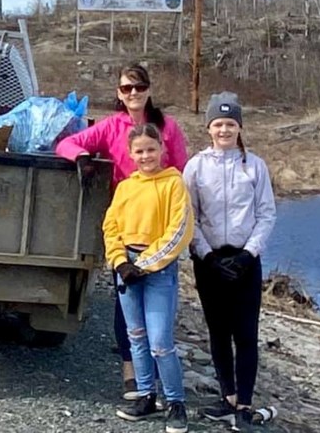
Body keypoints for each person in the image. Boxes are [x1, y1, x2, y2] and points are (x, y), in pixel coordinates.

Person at [55, 64, 189, 400]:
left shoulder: (167, 128)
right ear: (118, 92)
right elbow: (67, 143)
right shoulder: (110, 127)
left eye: (139, 87)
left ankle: (163, 379)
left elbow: (184, 172)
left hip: (160, 228)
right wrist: (82, 157)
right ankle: (132, 374)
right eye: (126, 88)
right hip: (127, 226)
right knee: (125, 302)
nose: (133, 93)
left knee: (158, 304)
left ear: (148, 89)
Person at [183, 92, 277, 433]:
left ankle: (245, 405)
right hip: (209, 262)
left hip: (245, 262)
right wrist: (205, 254)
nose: (225, 130)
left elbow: (266, 214)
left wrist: (249, 253)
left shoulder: (255, 166)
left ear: (239, 127)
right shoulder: (195, 166)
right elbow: (188, 215)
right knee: (218, 332)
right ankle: (228, 397)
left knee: (246, 334)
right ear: (209, 128)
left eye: (231, 124)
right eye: (218, 124)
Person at [102, 123, 193, 432]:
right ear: (130, 154)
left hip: (158, 270)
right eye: (139, 151)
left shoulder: (173, 183)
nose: (145, 156)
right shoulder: (126, 187)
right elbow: (110, 227)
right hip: (127, 267)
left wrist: (145, 264)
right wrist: (120, 263)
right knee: (136, 335)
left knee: (160, 342)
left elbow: (178, 230)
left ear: (162, 149)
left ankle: (175, 402)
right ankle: (145, 396)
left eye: (151, 149)